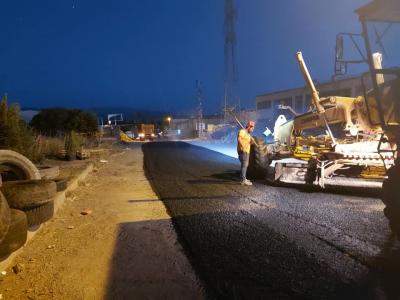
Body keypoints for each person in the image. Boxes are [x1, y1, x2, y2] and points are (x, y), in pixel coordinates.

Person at [237, 120, 255, 185]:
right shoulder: (242, 131)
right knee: (244, 165)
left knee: (245, 165)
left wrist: (252, 141)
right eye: (252, 128)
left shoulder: (248, 135)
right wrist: (243, 147)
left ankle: (243, 178)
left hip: (247, 152)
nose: (252, 130)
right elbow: (239, 139)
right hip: (243, 151)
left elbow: (249, 143)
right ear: (249, 127)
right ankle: (243, 180)